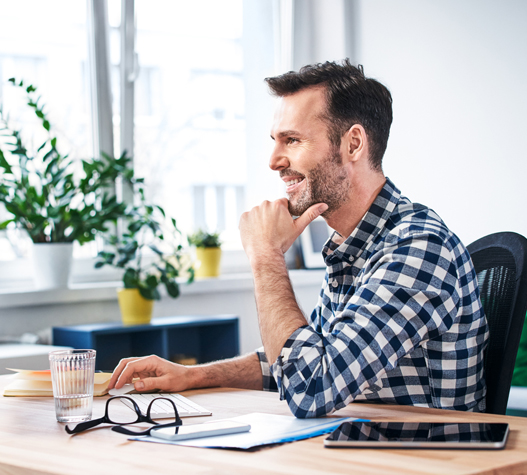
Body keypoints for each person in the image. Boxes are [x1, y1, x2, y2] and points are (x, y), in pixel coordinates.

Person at [107, 59, 489, 418]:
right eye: (276, 140)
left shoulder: (417, 248)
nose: (273, 160)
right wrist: (193, 376)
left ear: (353, 144)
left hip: (423, 462)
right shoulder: (354, 247)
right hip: (359, 451)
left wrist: (265, 255)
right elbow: (299, 363)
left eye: (291, 140)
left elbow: (310, 387)